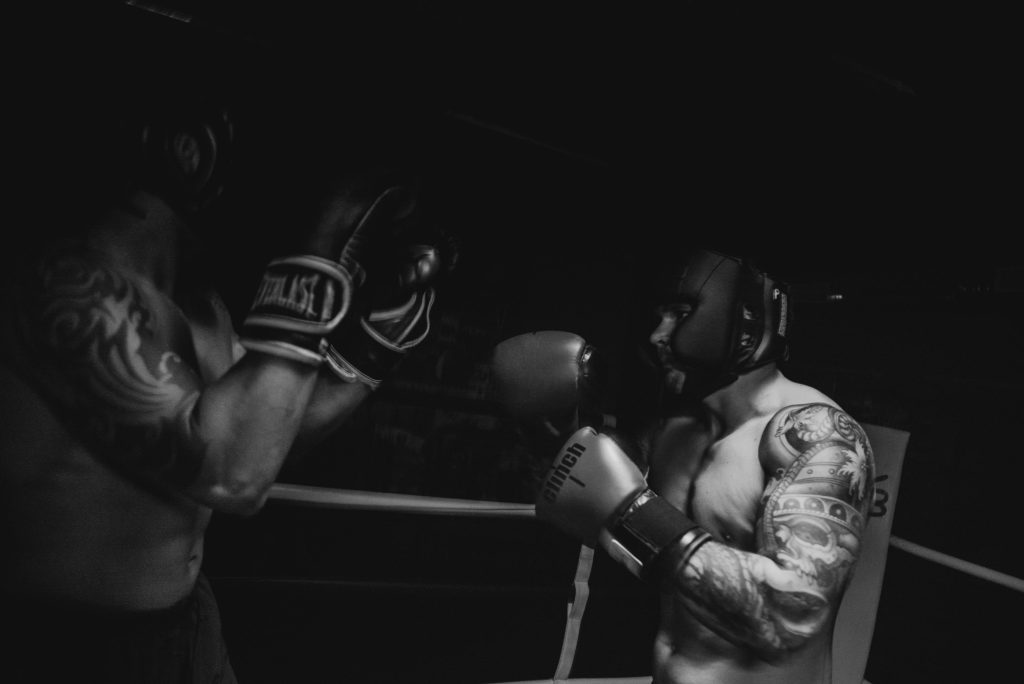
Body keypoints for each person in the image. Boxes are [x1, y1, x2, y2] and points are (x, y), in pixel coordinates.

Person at [0, 68, 450, 683]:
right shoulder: (64, 288)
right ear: (188, 149)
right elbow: (233, 476)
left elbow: (264, 444)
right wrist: (323, 245)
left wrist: (368, 353)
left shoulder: (200, 304)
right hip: (70, 643)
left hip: (187, 623)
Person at [491, 247, 875, 684]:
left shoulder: (815, 434)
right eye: (659, 317)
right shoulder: (674, 432)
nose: (658, 335)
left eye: (679, 315)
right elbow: (599, 514)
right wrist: (556, 437)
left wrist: (634, 513)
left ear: (743, 323)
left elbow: (794, 617)